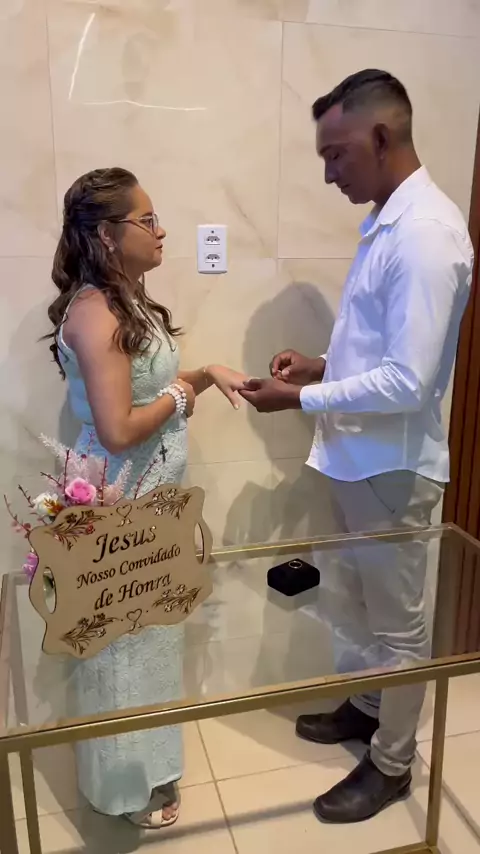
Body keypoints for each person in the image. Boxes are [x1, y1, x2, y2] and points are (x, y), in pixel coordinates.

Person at [240, 69, 474, 823]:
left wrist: (300, 398)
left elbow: (407, 381)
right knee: (361, 606)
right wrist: (321, 365)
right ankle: (369, 709)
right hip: (356, 461)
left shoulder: (427, 235)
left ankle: (393, 765)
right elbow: (380, 349)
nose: (328, 173)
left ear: (380, 137)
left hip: (393, 469)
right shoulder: (387, 222)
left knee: (401, 628)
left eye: (335, 154)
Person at [45, 167, 247, 828]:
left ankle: (154, 770)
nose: (161, 232)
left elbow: (148, 387)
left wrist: (206, 374)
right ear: (107, 234)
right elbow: (118, 427)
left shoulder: (126, 300)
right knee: (123, 649)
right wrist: (184, 395)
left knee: (152, 642)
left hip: (151, 503)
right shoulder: (95, 311)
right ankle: (125, 789)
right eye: (148, 220)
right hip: (119, 507)